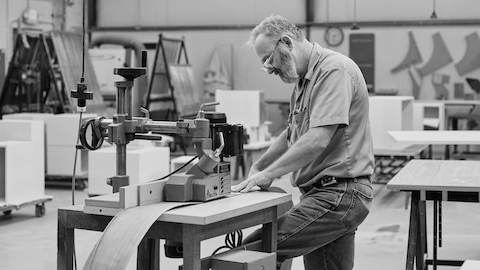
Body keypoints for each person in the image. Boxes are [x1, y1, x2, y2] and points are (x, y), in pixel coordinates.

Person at [231, 15, 374, 270]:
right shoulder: (302, 83)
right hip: (322, 194)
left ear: (286, 43)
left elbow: (317, 139)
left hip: (339, 195)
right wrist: (259, 167)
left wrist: (269, 174)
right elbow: (292, 133)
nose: (269, 68)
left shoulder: (333, 71)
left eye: (268, 59)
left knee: (248, 254)